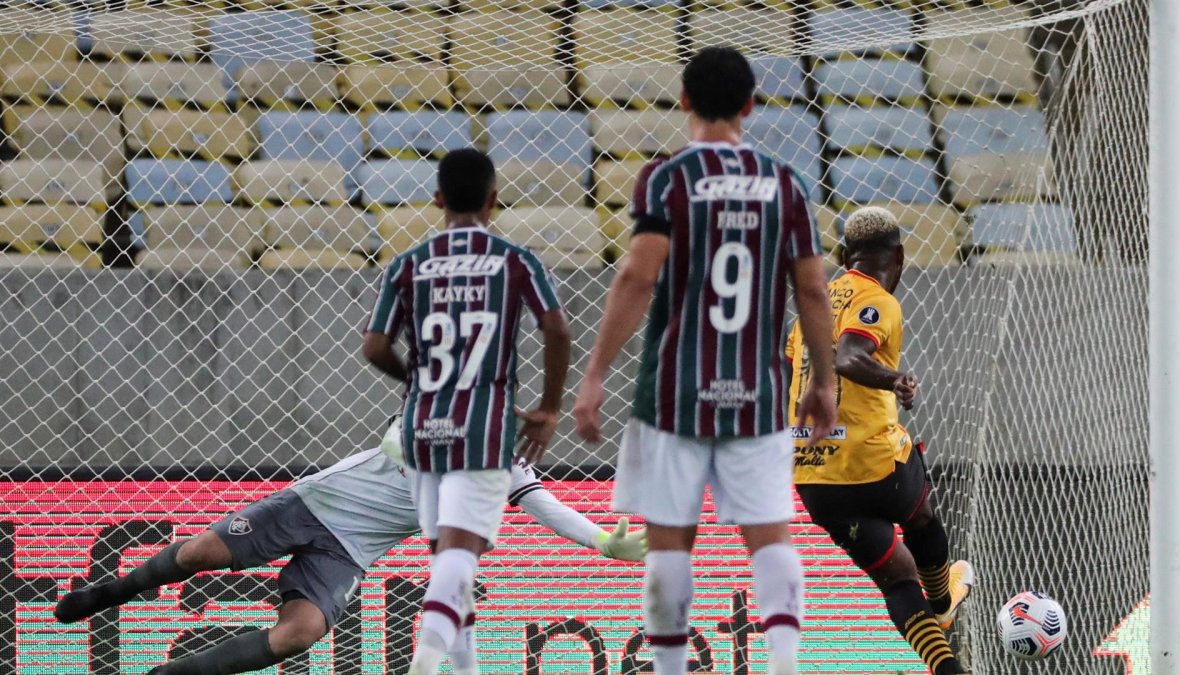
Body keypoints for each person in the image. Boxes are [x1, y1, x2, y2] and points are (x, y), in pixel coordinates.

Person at [572, 46, 838, 675]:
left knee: (669, 542)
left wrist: (595, 373)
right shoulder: (786, 183)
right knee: (770, 533)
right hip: (758, 392)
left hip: (674, 396)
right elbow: (812, 290)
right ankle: (784, 665)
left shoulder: (667, 178)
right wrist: (823, 380)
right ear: (750, 105)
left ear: (684, 100)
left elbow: (637, 277)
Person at [52, 422, 645, 675]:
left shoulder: (505, 462)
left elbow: (543, 504)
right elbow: (396, 448)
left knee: (299, 633)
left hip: (351, 549)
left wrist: (603, 540)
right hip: (314, 504)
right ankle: (111, 591)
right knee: (200, 554)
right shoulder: (435, 412)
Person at [362, 148, 572, 675]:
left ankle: (466, 670)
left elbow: (373, 347)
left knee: (447, 560)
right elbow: (557, 328)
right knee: (461, 552)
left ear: (437, 200)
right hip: (482, 424)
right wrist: (548, 407)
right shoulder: (515, 259)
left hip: (422, 426)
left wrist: (418, 377)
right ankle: (426, 664)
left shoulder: (407, 264)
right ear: (493, 200)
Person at [788, 206, 975, 675]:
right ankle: (942, 598)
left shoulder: (807, 312)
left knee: (895, 581)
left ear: (844, 254)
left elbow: (784, 366)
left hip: (815, 477)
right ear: (900, 256)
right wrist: (895, 380)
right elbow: (851, 357)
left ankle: (948, 668)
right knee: (923, 517)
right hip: (873, 464)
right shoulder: (880, 301)